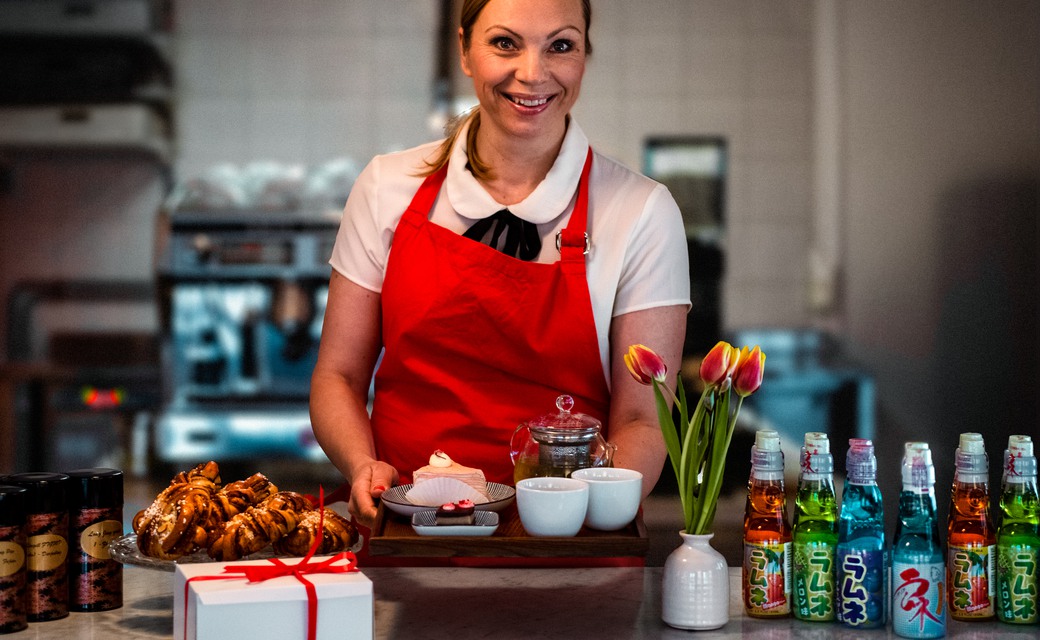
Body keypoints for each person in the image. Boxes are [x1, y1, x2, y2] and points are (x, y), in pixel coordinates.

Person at [310, 0, 690, 530]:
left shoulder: (642, 210)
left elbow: (642, 420)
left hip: (570, 554)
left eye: (561, 45)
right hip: (409, 538)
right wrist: (361, 465)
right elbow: (339, 376)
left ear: (584, 54)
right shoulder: (386, 188)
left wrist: (581, 516)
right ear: (465, 50)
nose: (532, 74)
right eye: (505, 43)